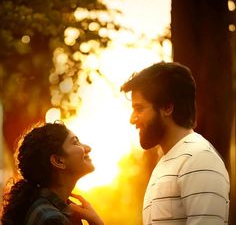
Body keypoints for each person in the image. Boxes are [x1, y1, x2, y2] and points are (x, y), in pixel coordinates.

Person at [121, 61, 230, 225]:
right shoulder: (166, 163)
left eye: (139, 108)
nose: (132, 119)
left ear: (167, 107)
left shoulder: (200, 159)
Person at [1, 122, 104, 225]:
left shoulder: (56, 210)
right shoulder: (52, 219)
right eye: (75, 142)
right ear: (58, 161)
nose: (88, 148)